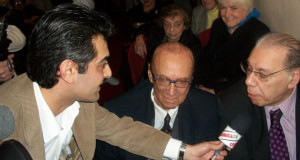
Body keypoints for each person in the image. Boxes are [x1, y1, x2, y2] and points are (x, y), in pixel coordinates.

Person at [0, 4, 227, 160]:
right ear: (68, 70)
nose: (109, 73)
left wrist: (184, 151)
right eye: (101, 64)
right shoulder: (6, 118)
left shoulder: (82, 104)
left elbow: (124, 130)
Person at [95, 42, 220, 159]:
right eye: (163, 80)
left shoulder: (208, 106)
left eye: (182, 81)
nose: (171, 92)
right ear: (150, 74)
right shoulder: (116, 112)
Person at [219, 32, 300, 159]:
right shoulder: (231, 107)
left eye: (262, 75)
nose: (248, 81)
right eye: (249, 69)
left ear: (293, 78)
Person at [197, 0, 270, 94]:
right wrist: (199, 83)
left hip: (234, 90)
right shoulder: (218, 24)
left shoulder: (258, 33)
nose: (227, 14)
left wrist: (216, 90)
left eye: (234, 8)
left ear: (247, 10)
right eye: (223, 8)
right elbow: (206, 56)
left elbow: (251, 75)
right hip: (210, 82)